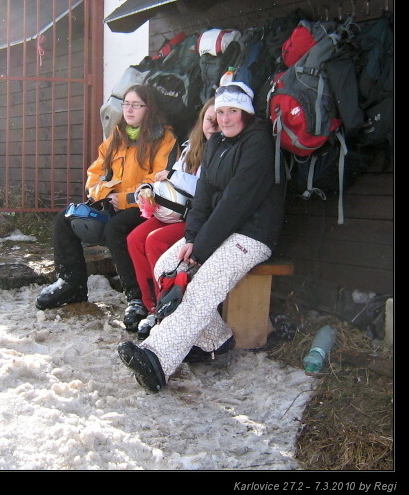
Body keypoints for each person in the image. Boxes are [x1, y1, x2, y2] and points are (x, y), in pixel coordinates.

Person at [117, 82, 286, 392]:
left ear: (246, 113)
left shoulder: (258, 144)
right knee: (165, 267)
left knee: (200, 286)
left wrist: (199, 250)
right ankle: (215, 341)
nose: (225, 119)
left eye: (233, 111)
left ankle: (157, 359)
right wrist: (192, 238)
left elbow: (236, 204)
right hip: (218, 230)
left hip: (252, 234)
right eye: (220, 112)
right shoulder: (217, 143)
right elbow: (203, 199)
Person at [36, 84, 180, 333]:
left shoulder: (164, 139)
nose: (129, 110)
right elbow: (96, 172)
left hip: (145, 208)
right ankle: (71, 284)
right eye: (126, 104)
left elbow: (157, 182)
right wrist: (102, 193)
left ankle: (136, 299)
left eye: (136, 105)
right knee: (65, 219)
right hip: (111, 202)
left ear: (149, 108)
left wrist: (124, 199)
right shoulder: (117, 136)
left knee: (116, 228)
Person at [126, 97, 219, 340]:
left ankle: (165, 307)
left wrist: (173, 176)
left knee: (155, 240)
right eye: (209, 119)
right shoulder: (192, 145)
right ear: (201, 120)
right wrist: (151, 191)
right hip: (177, 211)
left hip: (199, 217)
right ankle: (150, 306)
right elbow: (173, 181)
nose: (213, 126)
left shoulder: (223, 150)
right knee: (135, 238)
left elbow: (207, 189)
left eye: (218, 121)